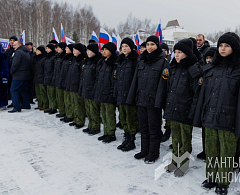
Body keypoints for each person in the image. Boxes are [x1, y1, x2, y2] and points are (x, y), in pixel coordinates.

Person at [193, 32, 240, 195]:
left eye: (227, 46)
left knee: (227, 152)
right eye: (220, 45)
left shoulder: (238, 69)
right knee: (211, 150)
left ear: (234, 48)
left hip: (229, 119)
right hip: (210, 117)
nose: (223, 49)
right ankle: (212, 177)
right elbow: (203, 95)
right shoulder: (211, 67)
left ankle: (223, 182)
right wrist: (200, 115)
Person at [159, 39, 202, 176]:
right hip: (173, 110)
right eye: (175, 52)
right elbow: (170, 89)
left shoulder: (193, 70)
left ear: (187, 54)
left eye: (180, 52)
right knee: (175, 139)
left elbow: (196, 94)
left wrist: (192, 112)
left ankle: (183, 165)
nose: (176, 55)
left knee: (185, 140)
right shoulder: (173, 67)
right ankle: (175, 162)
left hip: (186, 111)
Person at [127, 36, 169, 163]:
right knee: (143, 127)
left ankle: (153, 153)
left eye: (153, 44)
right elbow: (135, 81)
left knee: (154, 128)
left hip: (153, 102)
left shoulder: (163, 61)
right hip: (141, 99)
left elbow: (163, 85)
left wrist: (158, 103)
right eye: (148, 44)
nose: (150, 47)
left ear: (157, 45)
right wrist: (131, 98)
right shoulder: (142, 60)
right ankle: (144, 150)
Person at [114, 38, 139, 151]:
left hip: (130, 95)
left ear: (131, 47)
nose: (124, 48)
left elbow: (136, 80)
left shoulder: (135, 61)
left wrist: (133, 95)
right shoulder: (121, 60)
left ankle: (131, 140)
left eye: (126, 46)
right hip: (120, 94)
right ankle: (126, 137)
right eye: (122, 46)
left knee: (131, 119)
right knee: (123, 118)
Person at [93, 42, 118, 143]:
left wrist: (112, 91)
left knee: (110, 114)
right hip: (101, 91)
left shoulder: (114, 63)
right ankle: (106, 132)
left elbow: (114, 79)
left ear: (111, 51)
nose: (103, 52)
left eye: (106, 50)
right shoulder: (103, 62)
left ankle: (111, 133)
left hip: (109, 92)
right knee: (103, 113)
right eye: (103, 50)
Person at [197, 47, 217, 161]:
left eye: (211, 57)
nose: (209, 60)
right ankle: (205, 150)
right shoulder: (204, 69)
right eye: (207, 58)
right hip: (205, 104)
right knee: (205, 131)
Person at [79, 43, 102, 135]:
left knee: (94, 110)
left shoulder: (98, 62)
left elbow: (97, 78)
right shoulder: (87, 62)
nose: (87, 52)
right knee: (88, 110)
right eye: (87, 50)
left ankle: (95, 127)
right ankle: (90, 125)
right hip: (86, 88)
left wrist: (95, 89)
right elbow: (83, 76)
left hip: (92, 89)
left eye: (90, 50)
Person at [65, 43, 86, 129]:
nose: (73, 51)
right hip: (72, 84)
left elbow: (81, 75)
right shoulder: (74, 59)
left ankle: (80, 120)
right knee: (73, 103)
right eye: (73, 50)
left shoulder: (82, 60)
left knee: (79, 104)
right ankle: (75, 119)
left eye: (75, 50)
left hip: (77, 85)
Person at [8, 41, 31, 113]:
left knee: (13, 90)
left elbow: (15, 63)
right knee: (23, 89)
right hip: (25, 74)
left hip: (18, 75)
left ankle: (16, 106)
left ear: (19, 45)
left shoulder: (18, 52)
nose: (13, 46)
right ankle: (26, 104)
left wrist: (12, 71)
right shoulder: (26, 52)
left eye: (15, 45)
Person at [52, 42, 66, 118]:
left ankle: (64, 111)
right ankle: (61, 110)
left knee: (62, 97)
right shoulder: (58, 56)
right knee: (58, 97)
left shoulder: (64, 57)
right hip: (57, 78)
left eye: (59, 48)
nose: (57, 49)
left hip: (62, 79)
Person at [43, 44, 57, 114]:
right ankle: (51, 106)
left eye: (48, 48)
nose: (47, 49)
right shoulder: (47, 57)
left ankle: (54, 107)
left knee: (52, 94)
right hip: (47, 76)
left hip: (51, 77)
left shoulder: (53, 57)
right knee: (49, 93)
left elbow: (54, 68)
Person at [34, 46, 48, 110]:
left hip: (41, 77)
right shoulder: (36, 59)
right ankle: (40, 104)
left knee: (43, 93)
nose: (36, 52)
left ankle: (45, 105)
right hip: (36, 77)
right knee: (38, 93)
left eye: (38, 51)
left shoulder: (44, 59)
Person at [6, 35, 17, 104]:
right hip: (8, 70)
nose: (12, 42)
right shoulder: (8, 50)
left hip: (15, 71)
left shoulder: (17, 50)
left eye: (13, 40)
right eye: (11, 40)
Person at [0, 44, 9, 111]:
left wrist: (5, 76)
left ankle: (2, 104)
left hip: (1, 76)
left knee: (2, 91)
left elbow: (5, 66)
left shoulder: (3, 55)